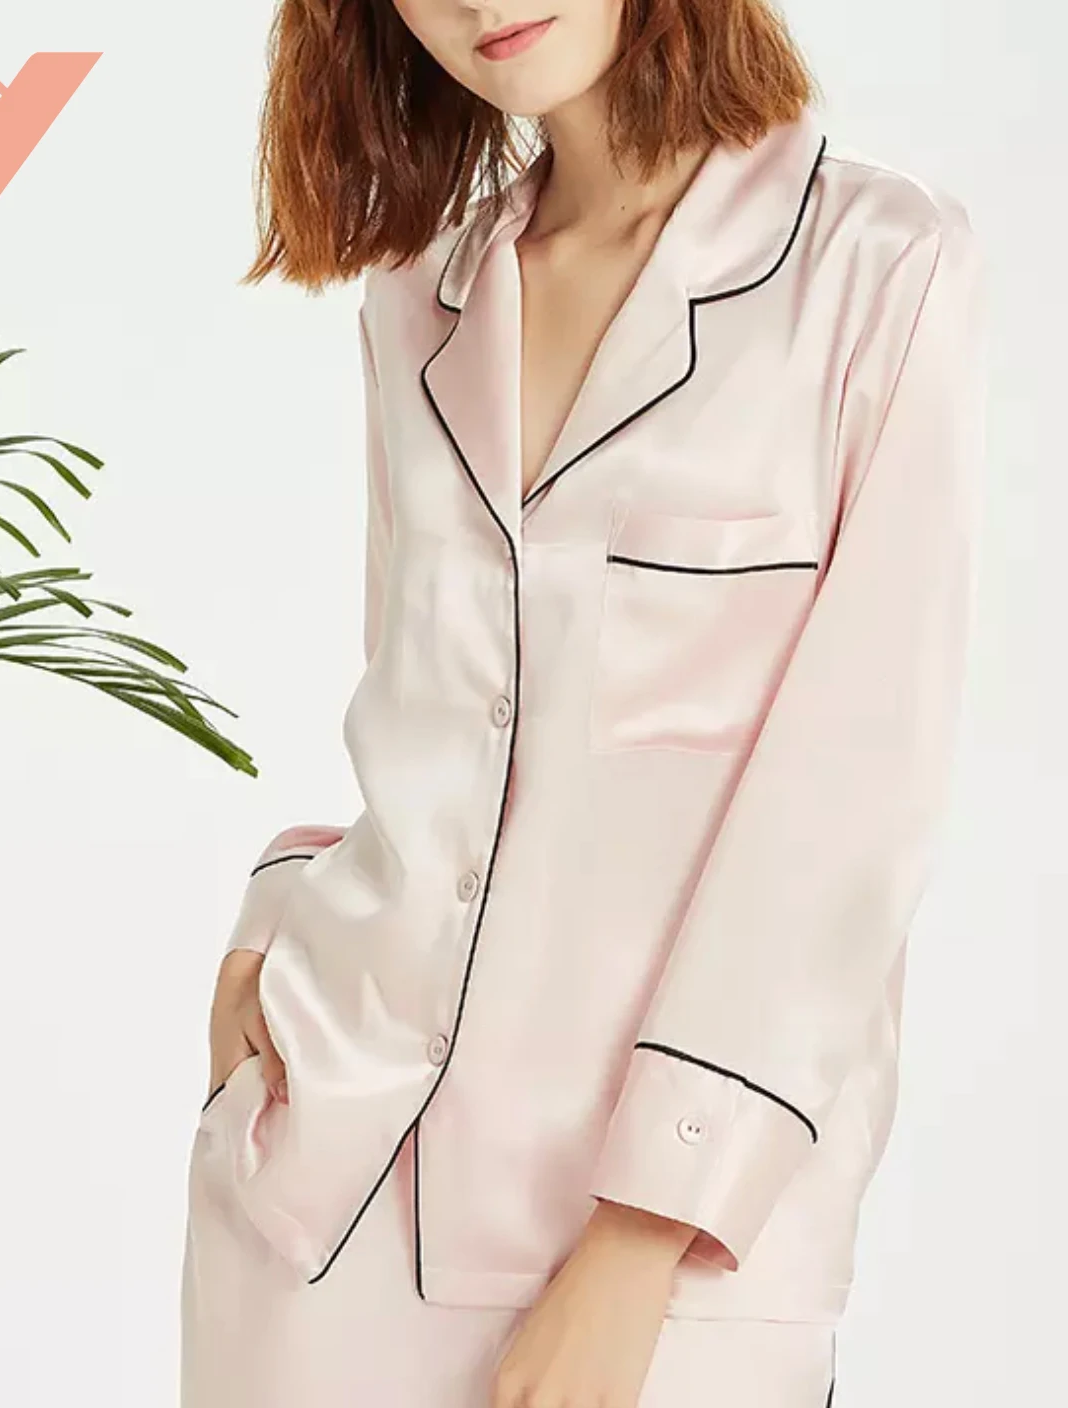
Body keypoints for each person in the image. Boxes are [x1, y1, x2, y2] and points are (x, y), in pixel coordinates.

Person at [179, 2, 987, 1405]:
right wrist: (274, 918)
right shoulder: (421, 291)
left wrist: (638, 1236)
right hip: (326, 1201)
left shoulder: (876, 268)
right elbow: (429, 714)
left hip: (683, 1252)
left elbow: (851, 801)